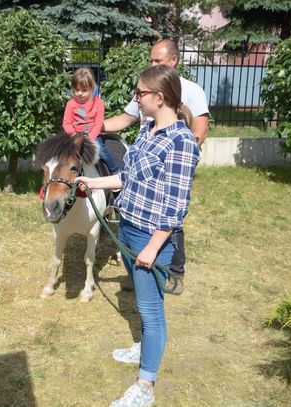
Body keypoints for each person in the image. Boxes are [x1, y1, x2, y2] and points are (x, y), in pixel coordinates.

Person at [77, 64, 199, 407]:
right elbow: (127, 178)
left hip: (150, 238)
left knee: (151, 311)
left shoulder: (181, 142)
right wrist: (92, 182)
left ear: (159, 98)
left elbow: (176, 206)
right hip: (128, 229)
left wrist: (154, 247)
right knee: (143, 305)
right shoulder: (147, 131)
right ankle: (143, 347)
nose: (136, 99)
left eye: (139, 93)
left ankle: (146, 385)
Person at [104, 39, 209, 296]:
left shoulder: (192, 90)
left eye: (157, 60)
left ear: (174, 60)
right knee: (137, 220)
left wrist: (178, 156)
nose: (151, 63)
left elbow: (200, 128)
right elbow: (126, 119)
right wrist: (94, 126)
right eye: (150, 59)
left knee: (170, 218)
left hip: (168, 164)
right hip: (144, 159)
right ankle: (139, 274)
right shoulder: (147, 89)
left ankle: (175, 272)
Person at [63, 67, 119, 174]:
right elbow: (66, 124)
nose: (80, 93)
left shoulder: (99, 103)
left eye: (84, 90)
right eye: (77, 90)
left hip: (93, 135)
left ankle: (114, 170)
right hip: (75, 135)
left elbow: (98, 124)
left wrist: (90, 138)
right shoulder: (70, 104)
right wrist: (75, 135)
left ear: (92, 88)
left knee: (101, 150)